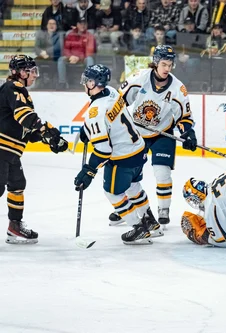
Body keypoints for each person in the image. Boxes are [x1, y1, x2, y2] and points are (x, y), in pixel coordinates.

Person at [74, 64, 162, 244]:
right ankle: (151, 222)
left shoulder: (94, 112)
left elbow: (104, 150)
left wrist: (89, 170)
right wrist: (87, 130)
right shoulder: (112, 92)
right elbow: (110, 120)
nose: (84, 84)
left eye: (87, 81)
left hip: (122, 158)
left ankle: (138, 228)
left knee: (113, 193)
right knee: (133, 187)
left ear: (93, 83)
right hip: (139, 149)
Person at [110, 45, 198, 227]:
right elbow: (118, 102)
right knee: (129, 174)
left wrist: (188, 132)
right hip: (137, 135)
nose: (167, 68)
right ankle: (127, 208)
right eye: (164, 64)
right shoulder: (139, 78)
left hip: (162, 134)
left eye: (170, 65)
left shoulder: (178, 88)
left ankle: (163, 210)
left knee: (162, 173)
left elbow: (184, 117)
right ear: (156, 63)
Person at [0, 55, 68, 244]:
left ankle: (14, 227)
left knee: (17, 184)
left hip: (10, 151)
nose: (35, 75)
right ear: (21, 73)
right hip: (2, 149)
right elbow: (25, 116)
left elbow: (26, 131)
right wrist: (46, 129)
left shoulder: (19, 92)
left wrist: (49, 139)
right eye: (31, 71)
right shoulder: (13, 88)